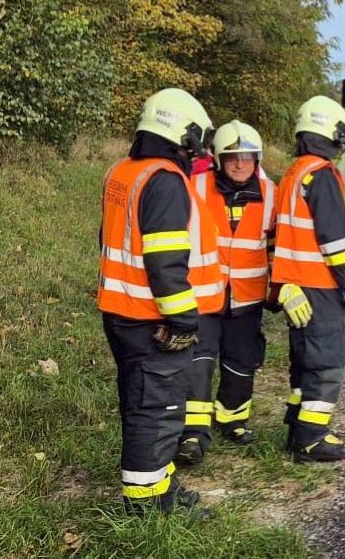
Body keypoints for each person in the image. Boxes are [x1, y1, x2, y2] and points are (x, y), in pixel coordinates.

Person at [97, 88, 223, 513]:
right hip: (154, 321)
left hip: (121, 312)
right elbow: (166, 262)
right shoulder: (166, 181)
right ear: (185, 134)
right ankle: (147, 506)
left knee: (142, 402)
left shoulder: (125, 171)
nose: (200, 149)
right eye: (198, 139)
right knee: (157, 410)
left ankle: (159, 486)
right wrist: (185, 321)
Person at [176, 120, 277, 464]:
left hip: (247, 298)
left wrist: (280, 287)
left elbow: (278, 242)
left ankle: (232, 420)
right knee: (199, 361)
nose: (240, 164)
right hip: (203, 295)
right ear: (218, 158)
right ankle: (192, 433)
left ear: (257, 159)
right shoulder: (195, 184)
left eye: (248, 157)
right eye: (233, 157)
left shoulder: (271, 192)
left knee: (241, 361)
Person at [273, 95, 345, 462]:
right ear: (332, 132)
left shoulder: (295, 173)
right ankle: (312, 439)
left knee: (305, 358)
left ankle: (298, 427)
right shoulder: (322, 175)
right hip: (319, 283)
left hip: (295, 283)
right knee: (326, 363)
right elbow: (336, 239)